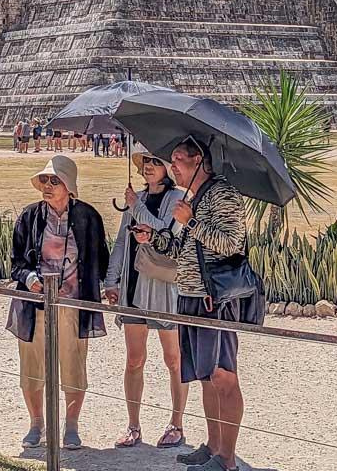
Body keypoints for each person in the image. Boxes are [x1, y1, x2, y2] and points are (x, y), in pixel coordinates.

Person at [136, 138, 258, 471]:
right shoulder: (194, 196)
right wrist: (153, 236)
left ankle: (227, 459)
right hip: (190, 296)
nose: (172, 165)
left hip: (214, 300)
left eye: (178, 159)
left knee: (223, 376)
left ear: (199, 160)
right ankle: (214, 445)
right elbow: (182, 249)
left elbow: (231, 244)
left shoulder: (222, 194)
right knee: (205, 376)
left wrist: (190, 221)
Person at [7, 155, 109, 451]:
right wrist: (30, 279)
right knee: (31, 367)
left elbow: (101, 260)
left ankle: (71, 425)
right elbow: (16, 263)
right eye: (44, 180)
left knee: (74, 366)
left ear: (69, 186)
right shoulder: (29, 216)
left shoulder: (88, 217)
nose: (47, 186)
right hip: (34, 304)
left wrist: (112, 287)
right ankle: (36, 423)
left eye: (54, 180)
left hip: (73, 304)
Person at [104, 144, 189, 449]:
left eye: (155, 161)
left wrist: (136, 207)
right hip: (133, 284)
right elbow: (121, 242)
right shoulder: (136, 198)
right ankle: (133, 424)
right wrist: (111, 280)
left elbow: (166, 234)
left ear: (166, 167)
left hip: (164, 285)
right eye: (145, 161)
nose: (148, 166)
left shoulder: (178, 198)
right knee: (134, 359)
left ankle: (177, 423)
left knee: (173, 359)